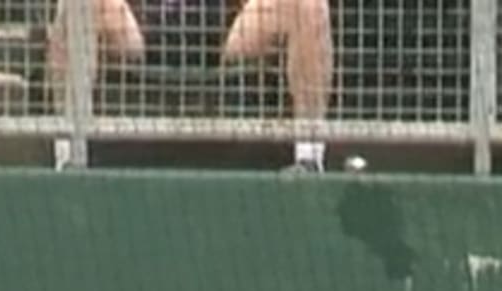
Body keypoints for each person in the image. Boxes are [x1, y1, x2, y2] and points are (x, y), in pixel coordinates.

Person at [55, 0, 337, 171]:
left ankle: (309, 159)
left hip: (227, 31)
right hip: (142, 29)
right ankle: (69, 157)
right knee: (75, 4)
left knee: (309, 5)